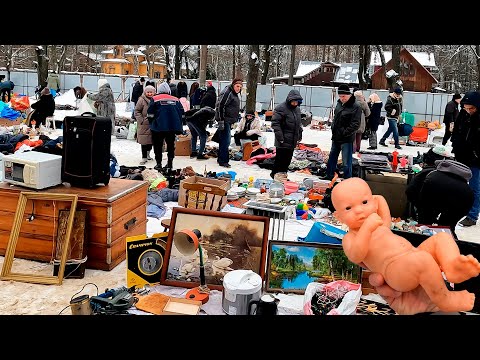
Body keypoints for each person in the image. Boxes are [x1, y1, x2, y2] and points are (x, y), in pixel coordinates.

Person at [331, 177, 480, 313]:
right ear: (338, 217)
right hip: (394, 271)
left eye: (364, 202)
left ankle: (452, 268)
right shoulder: (350, 238)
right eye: (348, 208)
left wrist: (376, 200)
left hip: (412, 257)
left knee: (441, 238)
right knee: (422, 259)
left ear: (373, 203)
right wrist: (366, 229)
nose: (359, 210)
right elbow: (356, 255)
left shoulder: (381, 225)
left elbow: (381, 203)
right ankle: (445, 299)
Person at [416, 159, 474, 233]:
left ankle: (421, 241)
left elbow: (411, 191)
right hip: (466, 195)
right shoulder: (463, 184)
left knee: (424, 224)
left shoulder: (430, 174)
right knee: (447, 227)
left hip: (436, 189)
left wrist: (421, 210)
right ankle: (449, 242)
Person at [451, 91, 480, 227]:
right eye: (466, 108)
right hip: (461, 156)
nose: (468, 111)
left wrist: (476, 154)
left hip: (475, 160)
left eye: (471, 108)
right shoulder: (463, 114)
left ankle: (472, 216)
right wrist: (454, 145)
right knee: (458, 184)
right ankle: (456, 208)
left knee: (474, 187)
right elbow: (457, 131)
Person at [325, 84, 361, 180]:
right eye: (340, 96)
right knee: (332, 158)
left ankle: (347, 179)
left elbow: (355, 124)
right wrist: (333, 127)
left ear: (349, 95)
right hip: (336, 136)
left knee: (346, 162)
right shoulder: (339, 104)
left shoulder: (356, 106)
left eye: (343, 96)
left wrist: (344, 132)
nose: (342, 98)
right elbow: (336, 118)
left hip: (346, 138)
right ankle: (329, 175)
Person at [147, 81, 184, 172]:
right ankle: (170, 163)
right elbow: (182, 113)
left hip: (158, 127)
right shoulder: (176, 99)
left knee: (158, 145)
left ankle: (159, 163)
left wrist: (152, 122)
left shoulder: (155, 99)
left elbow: (150, 113)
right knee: (171, 145)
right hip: (172, 127)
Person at [270, 89, 303, 178]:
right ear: (290, 100)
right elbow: (275, 124)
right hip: (282, 140)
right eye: (293, 101)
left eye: (297, 102)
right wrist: (280, 137)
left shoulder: (297, 110)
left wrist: (299, 134)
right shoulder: (280, 108)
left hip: (292, 140)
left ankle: (283, 176)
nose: (295, 104)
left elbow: (298, 124)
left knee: (287, 160)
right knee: (280, 160)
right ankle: (275, 176)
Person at [213, 78, 243, 168]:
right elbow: (220, 106)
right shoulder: (228, 92)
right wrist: (221, 120)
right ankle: (223, 161)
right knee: (226, 141)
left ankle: (221, 159)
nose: (238, 88)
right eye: (237, 86)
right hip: (224, 120)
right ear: (233, 85)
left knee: (224, 140)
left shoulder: (233, 93)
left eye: (240, 87)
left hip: (228, 120)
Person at [134, 85, 156, 165]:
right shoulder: (141, 100)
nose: (150, 94)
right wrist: (141, 120)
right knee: (144, 142)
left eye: (151, 92)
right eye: (148, 92)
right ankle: (144, 157)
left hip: (153, 123)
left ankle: (148, 154)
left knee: (151, 141)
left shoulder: (155, 100)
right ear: (145, 92)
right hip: (144, 124)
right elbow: (137, 111)